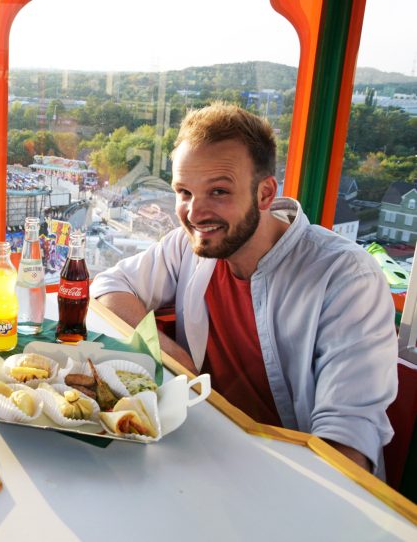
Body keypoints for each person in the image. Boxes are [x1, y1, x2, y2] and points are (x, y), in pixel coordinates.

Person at [90, 102, 398, 475]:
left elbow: (346, 444)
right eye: (184, 192)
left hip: (291, 474)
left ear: (265, 194)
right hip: (202, 448)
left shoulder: (346, 277)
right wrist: (173, 355)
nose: (195, 212)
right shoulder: (187, 244)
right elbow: (110, 285)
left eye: (218, 191)